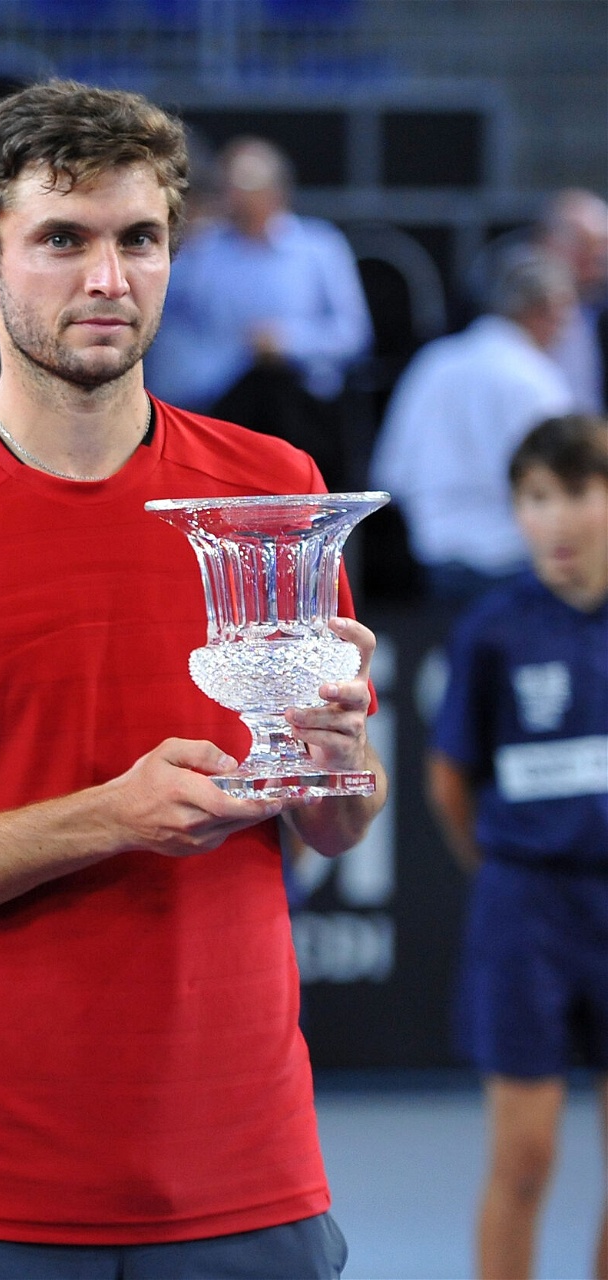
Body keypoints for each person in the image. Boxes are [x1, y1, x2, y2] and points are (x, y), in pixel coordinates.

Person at [0, 80, 387, 1277]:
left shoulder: (274, 489)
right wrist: (109, 816)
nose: (109, 278)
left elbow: (337, 820)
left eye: (139, 239)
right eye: (63, 239)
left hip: (247, 1178)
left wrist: (343, 758)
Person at [425, 414, 608, 1280]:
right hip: (527, 912)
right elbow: (450, 782)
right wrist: (507, 869)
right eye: (534, 499)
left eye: (576, 492)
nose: (556, 520)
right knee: (525, 1157)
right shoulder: (493, 628)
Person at [145, 136, 371, 486]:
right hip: (222, 406)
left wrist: (288, 341)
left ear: (277, 190)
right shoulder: (202, 250)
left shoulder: (318, 247)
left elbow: (353, 334)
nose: (235, 197)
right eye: (229, 186)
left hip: (303, 406)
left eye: (245, 186)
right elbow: (165, 320)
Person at [371, 250, 578, 602]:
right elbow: (563, 481)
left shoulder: (435, 363)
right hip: (517, 568)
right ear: (543, 310)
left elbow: (392, 474)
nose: (566, 330)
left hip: (437, 564)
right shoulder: (536, 379)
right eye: (564, 315)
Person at [536, 189, 608, 414]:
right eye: (584, 244)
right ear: (547, 243)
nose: (597, 256)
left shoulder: (600, 312)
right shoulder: (501, 303)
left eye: (603, 244)